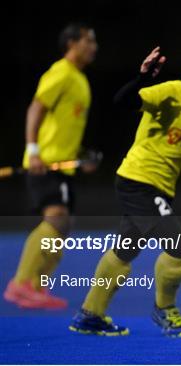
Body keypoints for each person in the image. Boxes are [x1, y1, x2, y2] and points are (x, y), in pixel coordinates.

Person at [69, 37, 181, 337]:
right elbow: (122, 102)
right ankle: (164, 309)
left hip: (161, 188)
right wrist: (142, 78)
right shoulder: (170, 93)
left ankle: (89, 314)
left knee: (125, 250)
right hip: (137, 180)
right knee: (177, 242)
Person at [3, 23, 98, 310]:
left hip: (63, 166)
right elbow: (36, 108)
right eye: (88, 41)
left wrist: (81, 157)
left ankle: (37, 286)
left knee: (64, 224)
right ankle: (20, 283)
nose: (94, 46)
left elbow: (65, 126)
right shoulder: (61, 72)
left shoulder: (79, 79)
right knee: (56, 218)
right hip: (44, 164)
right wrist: (33, 151)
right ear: (72, 43)